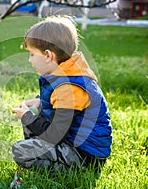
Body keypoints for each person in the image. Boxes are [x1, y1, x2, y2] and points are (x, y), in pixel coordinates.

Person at [12, 16, 112, 174]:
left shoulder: (69, 88)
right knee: (32, 113)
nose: (30, 60)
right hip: (73, 144)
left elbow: (54, 135)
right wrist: (40, 102)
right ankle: (44, 157)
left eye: (32, 54)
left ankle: (72, 173)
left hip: (85, 156)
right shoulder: (66, 74)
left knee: (20, 150)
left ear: (48, 56)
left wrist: (26, 117)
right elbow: (59, 111)